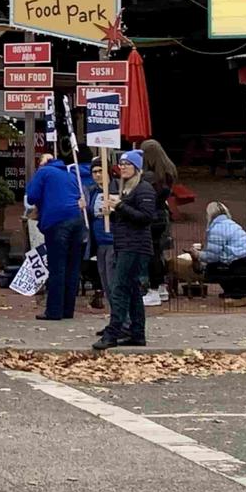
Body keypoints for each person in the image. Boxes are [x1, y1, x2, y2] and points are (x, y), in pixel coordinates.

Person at [93, 150, 157, 350]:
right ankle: (137, 332)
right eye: (121, 164)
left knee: (119, 287)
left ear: (137, 168)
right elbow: (126, 217)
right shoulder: (125, 189)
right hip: (124, 243)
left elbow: (145, 217)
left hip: (135, 246)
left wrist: (119, 207)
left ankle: (113, 332)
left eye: (127, 164)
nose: (123, 168)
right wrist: (111, 214)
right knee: (131, 290)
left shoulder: (144, 189)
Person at [26, 152, 86, 321]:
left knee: (57, 266)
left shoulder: (44, 172)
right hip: (76, 220)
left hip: (56, 221)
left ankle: (53, 311)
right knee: (72, 267)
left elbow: (31, 197)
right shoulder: (69, 174)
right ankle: (68, 309)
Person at [190, 202, 246, 302]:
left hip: (243, 267)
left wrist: (198, 254)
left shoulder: (217, 229)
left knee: (211, 268)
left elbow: (212, 257)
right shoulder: (232, 224)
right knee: (221, 265)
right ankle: (241, 290)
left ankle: (237, 291)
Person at [141, 139, 178, 306]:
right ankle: (162, 287)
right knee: (159, 253)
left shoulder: (150, 177)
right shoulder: (168, 172)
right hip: (162, 215)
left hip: (152, 217)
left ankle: (153, 289)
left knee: (152, 254)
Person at [88, 157, 118, 311]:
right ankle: (115, 320)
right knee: (106, 284)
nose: (97, 175)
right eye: (94, 172)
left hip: (114, 242)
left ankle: (122, 322)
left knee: (114, 284)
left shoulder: (117, 188)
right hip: (99, 244)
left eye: (101, 171)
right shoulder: (93, 191)